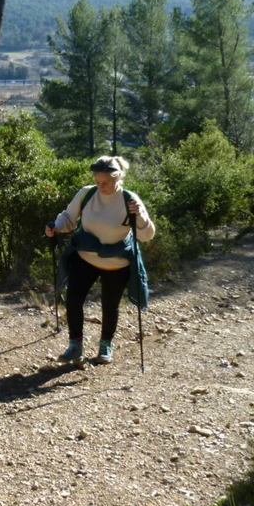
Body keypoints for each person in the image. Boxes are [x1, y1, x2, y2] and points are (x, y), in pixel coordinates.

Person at [45, 155, 155, 365]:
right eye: (97, 181)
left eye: (105, 182)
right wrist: (56, 226)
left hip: (117, 263)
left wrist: (140, 216)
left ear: (118, 177)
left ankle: (106, 346)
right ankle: (75, 345)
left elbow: (147, 235)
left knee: (109, 305)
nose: (100, 185)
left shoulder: (130, 200)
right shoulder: (87, 194)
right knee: (74, 299)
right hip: (85, 258)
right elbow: (68, 218)